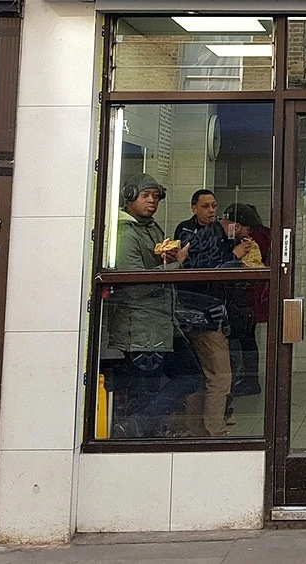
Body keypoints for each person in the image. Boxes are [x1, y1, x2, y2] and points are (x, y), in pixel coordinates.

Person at [106, 174, 201, 438]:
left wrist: (165, 259)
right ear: (130, 196)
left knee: (191, 376)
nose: (152, 201)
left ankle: (142, 424)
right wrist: (177, 263)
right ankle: (139, 429)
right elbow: (136, 283)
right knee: (144, 390)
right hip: (141, 329)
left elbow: (153, 268)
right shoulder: (125, 233)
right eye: (145, 196)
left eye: (156, 196)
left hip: (161, 325)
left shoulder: (151, 228)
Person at [174, 189, 237, 437]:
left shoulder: (218, 232)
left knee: (204, 376)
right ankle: (215, 431)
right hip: (201, 314)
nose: (211, 211)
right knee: (220, 377)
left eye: (214, 206)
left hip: (212, 312)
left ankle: (197, 429)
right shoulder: (188, 233)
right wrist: (233, 257)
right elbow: (201, 268)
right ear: (194, 208)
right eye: (206, 206)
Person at [223, 203, 271, 397]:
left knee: (245, 339)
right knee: (247, 339)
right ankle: (248, 379)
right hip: (255, 294)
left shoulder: (252, 240)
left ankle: (249, 380)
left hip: (248, 295)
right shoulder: (265, 235)